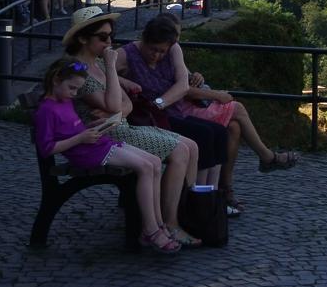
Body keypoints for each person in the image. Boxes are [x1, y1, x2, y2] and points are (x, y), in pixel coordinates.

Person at [121, 13, 295, 216]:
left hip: (169, 111)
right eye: (154, 50)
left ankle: (210, 197)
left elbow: (182, 83)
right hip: (151, 118)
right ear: (144, 39)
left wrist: (161, 101)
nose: (157, 55)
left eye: (162, 51)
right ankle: (196, 203)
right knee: (206, 133)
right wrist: (123, 82)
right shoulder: (127, 54)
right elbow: (100, 72)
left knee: (220, 132)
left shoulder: (172, 49)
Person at [62, 6, 205, 248]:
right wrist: (113, 81)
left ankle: (180, 215)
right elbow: (116, 102)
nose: (109, 42)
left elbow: (124, 104)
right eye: (103, 37)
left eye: (111, 36)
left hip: (119, 126)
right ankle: (170, 223)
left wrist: (117, 109)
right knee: (180, 150)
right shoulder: (79, 69)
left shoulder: (95, 64)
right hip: (105, 135)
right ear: (83, 38)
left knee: (190, 145)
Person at [33, 56, 177, 253]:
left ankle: (159, 223)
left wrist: (94, 127)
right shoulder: (46, 110)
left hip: (95, 143)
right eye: (72, 88)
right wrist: (80, 138)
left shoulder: (64, 99)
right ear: (56, 79)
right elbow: (47, 148)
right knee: (144, 167)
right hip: (85, 152)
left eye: (77, 89)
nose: (74, 94)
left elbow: (70, 127)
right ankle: (150, 230)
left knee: (153, 161)